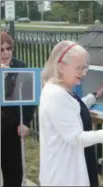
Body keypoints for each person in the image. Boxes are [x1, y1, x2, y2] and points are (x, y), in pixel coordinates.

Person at [39, 40, 103, 186]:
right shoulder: (56, 95)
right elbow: (76, 137)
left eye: (85, 68)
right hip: (64, 176)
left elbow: (74, 109)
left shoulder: (61, 89)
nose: (84, 73)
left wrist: (95, 96)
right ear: (61, 66)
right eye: (79, 68)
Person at [1, 32, 37, 186]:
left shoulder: (20, 67)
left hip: (12, 127)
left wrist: (25, 122)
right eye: (1, 49)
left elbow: (30, 100)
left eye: (8, 48)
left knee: (14, 172)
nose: (5, 53)